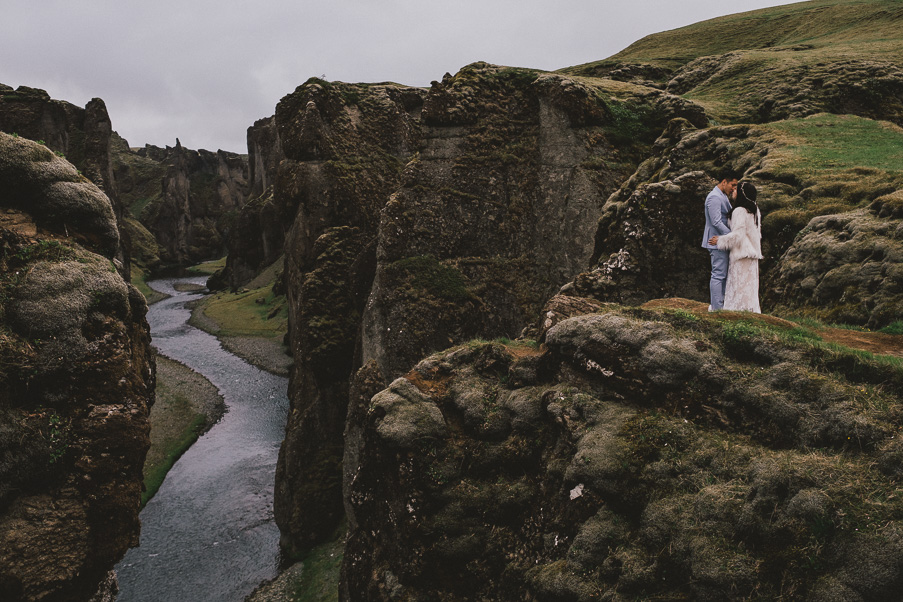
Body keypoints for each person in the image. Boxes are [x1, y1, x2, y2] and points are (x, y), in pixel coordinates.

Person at [708, 181, 762, 312]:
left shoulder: (739, 211)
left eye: (736, 189)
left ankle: (736, 309)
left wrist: (720, 240)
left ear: (742, 194)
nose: (733, 191)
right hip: (752, 253)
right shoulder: (754, 209)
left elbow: (738, 235)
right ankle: (750, 309)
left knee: (738, 284)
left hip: (741, 253)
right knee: (749, 285)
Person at [701, 171, 739, 311]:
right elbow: (716, 222)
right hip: (716, 242)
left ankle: (721, 305)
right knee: (718, 274)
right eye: (732, 185)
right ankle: (717, 308)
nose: (734, 188)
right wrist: (731, 236)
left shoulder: (722, 196)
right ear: (724, 182)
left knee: (722, 274)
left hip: (721, 241)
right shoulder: (714, 198)